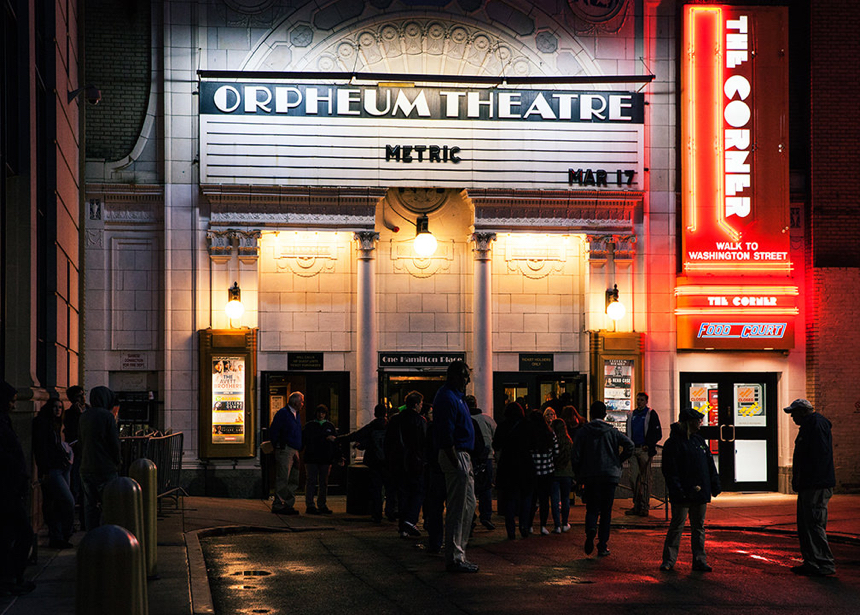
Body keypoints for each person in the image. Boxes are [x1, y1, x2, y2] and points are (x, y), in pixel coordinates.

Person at [659, 406, 721, 572]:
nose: (700, 422)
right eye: (697, 420)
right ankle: (669, 560)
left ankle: (699, 560)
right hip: (684, 493)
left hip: (699, 492)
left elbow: (709, 464)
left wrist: (714, 483)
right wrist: (678, 490)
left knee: (698, 527)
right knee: (677, 526)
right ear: (688, 422)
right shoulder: (674, 443)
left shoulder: (699, 441)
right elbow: (670, 470)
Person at [571, 400, 634, 557]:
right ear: (605, 414)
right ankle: (602, 544)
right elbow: (630, 445)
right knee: (606, 511)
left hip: (591, 475)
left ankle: (591, 529)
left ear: (591, 414)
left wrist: (578, 474)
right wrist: (617, 461)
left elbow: (576, 455)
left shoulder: (584, 432)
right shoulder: (612, 431)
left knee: (592, 508)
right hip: (609, 475)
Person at [433, 360, 478, 573]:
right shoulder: (447, 397)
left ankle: (458, 554)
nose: (467, 379)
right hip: (456, 454)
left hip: (460, 454)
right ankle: (454, 556)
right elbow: (445, 433)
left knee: (467, 506)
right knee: (459, 508)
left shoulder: (455, 397)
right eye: (464, 375)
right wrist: (456, 462)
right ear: (453, 376)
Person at [784, 398, 836, 577]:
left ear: (803, 412)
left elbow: (817, 456)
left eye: (794, 413)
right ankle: (812, 562)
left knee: (813, 524)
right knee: (807, 524)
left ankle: (824, 563)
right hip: (811, 483)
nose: (792, 418)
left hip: (816, 484)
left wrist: (806, 478)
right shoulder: (812, 425)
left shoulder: (815, 426)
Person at [0, 381, 36, 595]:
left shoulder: (5, 421)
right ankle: (12, 576)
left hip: (10, 488)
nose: (14, 406)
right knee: (23, 533)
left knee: (10, 534)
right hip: (7, 490)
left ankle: (10, 576)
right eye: (12, 401)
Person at [32, 398, 75, 549]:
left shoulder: (55, 425)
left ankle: (59, 536)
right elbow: (41, 449)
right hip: (53, 469)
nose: (58, 410)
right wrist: (44, 470)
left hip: (62, 466)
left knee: (58, 502)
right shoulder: (43, 424)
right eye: (55, 407)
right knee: (66, 501)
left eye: (60, 407)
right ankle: (63, 533)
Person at [339, 403, 392, 523]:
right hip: (388, 463)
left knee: (376, 489)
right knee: (389, 489)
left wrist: (338, 439)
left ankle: (377, 514)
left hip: (375, 462)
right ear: (385, 414)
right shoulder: (390, 426)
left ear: (374, 413)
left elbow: (356, 436)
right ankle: (390, 512)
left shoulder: (371, 427)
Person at [385, 391, 428, 538]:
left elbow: (388, 441)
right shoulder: (420, 420)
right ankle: (410, 521)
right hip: (414, 462)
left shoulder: (395, 420)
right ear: (416, 405)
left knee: (402, 494)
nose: (422, 406)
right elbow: (424, 442)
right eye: (421, 404)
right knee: (418, 492)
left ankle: (403, 525)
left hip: (398, 462)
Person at [78, 386, 122, 530]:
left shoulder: (84, 415)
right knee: (109, 504)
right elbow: (113, 443)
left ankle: (91, 535)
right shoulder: (107, 417)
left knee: (90, 505)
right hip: (105, 467)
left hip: (86, 466)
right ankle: (107, 536)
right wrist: (118, 460)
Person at [493, 401, 535, 540]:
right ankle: (524, 525)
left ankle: (510, 529)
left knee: (509, 498)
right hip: (525, 464)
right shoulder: (527, 425)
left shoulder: (503, 426)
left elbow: (496, 444)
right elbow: (533, 445)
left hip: (508, 464)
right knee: (525, 497)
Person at [625, 391, 662, 517]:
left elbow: (658, 432)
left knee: (645, 478)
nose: (639, 402)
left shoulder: (651, 414)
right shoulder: (632, 415)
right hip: (634, 449)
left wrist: (649, 444)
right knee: (633, 478)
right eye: (638, 400)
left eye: (641, 400)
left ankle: (644, 506)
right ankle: (637, 504)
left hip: (644, 450)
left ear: (646, 401)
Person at [269, 391, 304, 515]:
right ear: (295, 402)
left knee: (293, 478)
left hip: (294, 449)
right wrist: (278, 445)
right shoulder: (283, 414)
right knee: (283, 477)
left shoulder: (296, 414)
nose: (302, 404)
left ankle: (288, 503)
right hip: (286, 449)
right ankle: (279, 504)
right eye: (301, 401)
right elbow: (274, 430)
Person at [302, 403, 340, 515]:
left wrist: (337, 456)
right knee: (311, 481)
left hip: (324, 458)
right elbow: (305, 440)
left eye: (323, 413)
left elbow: (335, 443)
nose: (321, 415)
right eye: (319, 412)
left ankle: (321, 504)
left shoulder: (329, 426)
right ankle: (310, 505)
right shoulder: (310, 426)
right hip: (312, 457)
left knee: (323, 482)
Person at [467, 394, 497, 531]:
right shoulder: (487, 419)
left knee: (469, 490)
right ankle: (486, 516)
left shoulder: (464, 419)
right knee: (486, 487)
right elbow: (496, 436)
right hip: (487, 457)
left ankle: (470, 517)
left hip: (469, 457)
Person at [528, 410, 559, 536]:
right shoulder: (550, 433)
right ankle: (543, 526)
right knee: (544, 499)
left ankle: (529, 525)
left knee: (531, 498)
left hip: (532, 471)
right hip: (547, 470)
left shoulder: (529, 434)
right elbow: (556, 451)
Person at [64, 385, 87, 515]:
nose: (82, 398)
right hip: (77, 453)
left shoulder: (88, 410)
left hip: (87, 452)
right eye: (79, 396)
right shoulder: (70, 414)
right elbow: (71, 433)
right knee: (75, 486)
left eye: (83, 394)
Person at [550, 418, 574, 533]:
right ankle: (565, 523)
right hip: (567, 473)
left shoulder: (552, 441)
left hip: (554, 472)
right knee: (565, 499)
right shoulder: (569, 442)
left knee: (555, 499)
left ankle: (557, 525)